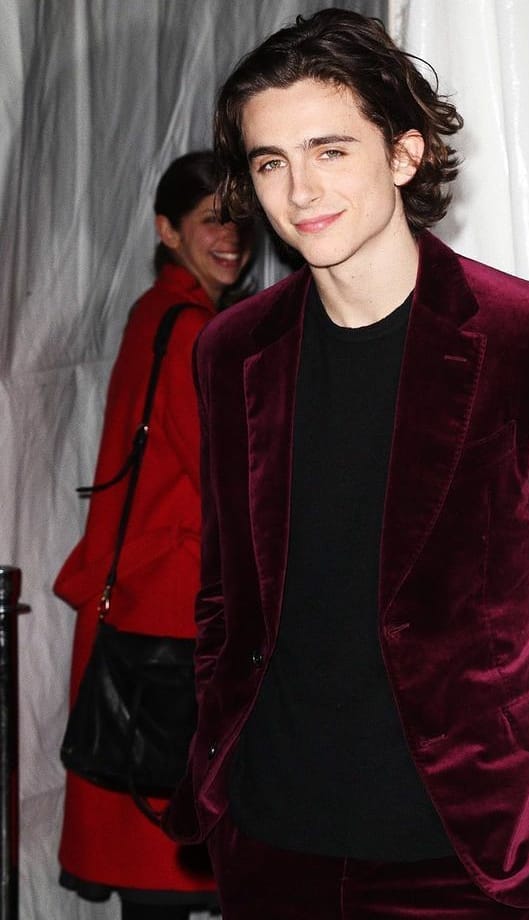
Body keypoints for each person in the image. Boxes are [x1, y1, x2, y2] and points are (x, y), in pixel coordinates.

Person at [163, 10, 529, 920]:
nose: (300, 189)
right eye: (271, 163)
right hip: (272, 844)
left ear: (404, 153)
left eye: (330, 150)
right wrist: (220, 770)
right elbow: (225, 594)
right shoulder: (233, 351)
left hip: (465, 855)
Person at [55, 150, 255, 919]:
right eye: (211, 220)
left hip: (142, 599)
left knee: (152, 859)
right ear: (167, 231)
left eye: (238, 220)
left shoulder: (157, 313)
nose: (230, 236)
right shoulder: (193, 328)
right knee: (167, 858)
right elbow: (221, 480)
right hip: (171, 615)